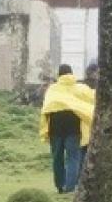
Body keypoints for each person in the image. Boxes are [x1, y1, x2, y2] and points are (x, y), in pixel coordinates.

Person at [39, 64, 95, 193]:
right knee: (73, 158)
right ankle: (70, 187)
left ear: (59, 75)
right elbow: (92, 101)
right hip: (74, 128)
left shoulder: (52, 89)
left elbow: (47, 107)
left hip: (55, 128)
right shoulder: (81, 89)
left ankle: (59, 185)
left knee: (57, 157)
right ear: (71, 74)